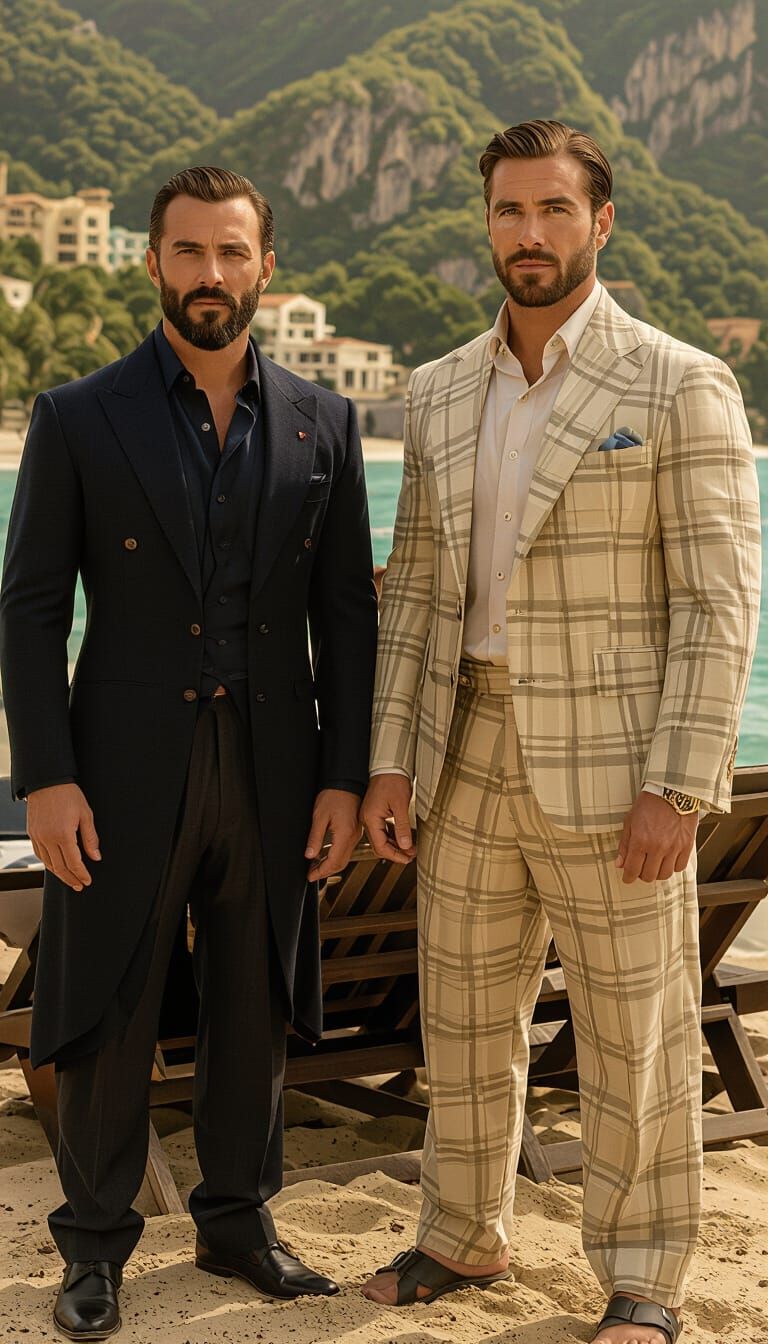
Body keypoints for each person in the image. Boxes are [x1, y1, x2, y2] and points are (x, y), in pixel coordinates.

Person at [360, 120, 761, 1344]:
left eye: (552, 210)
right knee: (464, 1016)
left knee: (631, 1032)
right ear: (485, 223)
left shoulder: (677, 381)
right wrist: (389, 757)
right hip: (464, 745)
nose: (527, 234)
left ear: (601, 221)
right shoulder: (434, 392)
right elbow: (420, 593)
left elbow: (719, 600)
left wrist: (680, 784)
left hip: (619, 767)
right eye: (506, 212)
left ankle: (643, 1274)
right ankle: (459, 1235)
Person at [0, 166, 378, 1341]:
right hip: (116, 762)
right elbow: (26, 611)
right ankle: (96, 1247)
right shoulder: (77, 415)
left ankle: (237, 1222)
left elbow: (346, 618)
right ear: (153, 263)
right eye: (187, 252)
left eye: (231, 252)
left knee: (252, 998)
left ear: (268, 266)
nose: (210, 274)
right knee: (111, 1001)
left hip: (274, 758)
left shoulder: (328, 419)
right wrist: (45, 778)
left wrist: (343, 773)